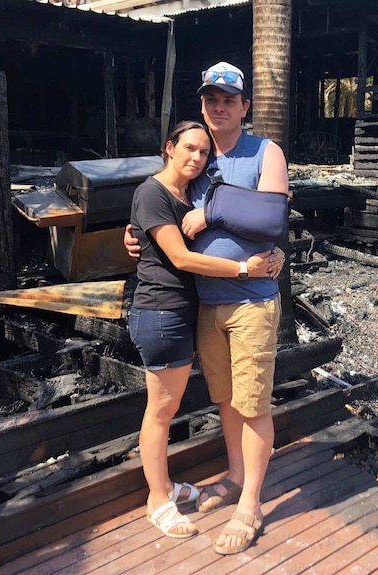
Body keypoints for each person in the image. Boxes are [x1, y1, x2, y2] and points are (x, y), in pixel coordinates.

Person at [124, 61, 289, 555]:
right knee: (225, 400)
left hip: (252, 302)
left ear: (245, 107)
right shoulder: (194, 157)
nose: (220, 107)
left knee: (254, 403)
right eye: (211, 99)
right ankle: (237, 475)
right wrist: (132, 236)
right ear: (202, 105)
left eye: (229, 100)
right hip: (205, 304)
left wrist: (211, 210)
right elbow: (157, 209)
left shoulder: (265, 151)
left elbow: (272, 217)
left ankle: (251, 505)